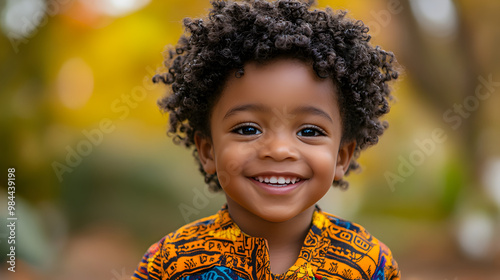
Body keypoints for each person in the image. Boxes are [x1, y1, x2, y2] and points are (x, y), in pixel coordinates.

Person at [132, 0, 400, 279]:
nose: (279, 150)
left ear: (341, 157)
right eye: (248, 129)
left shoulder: (369, 263)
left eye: (309, 131)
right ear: (208, 151)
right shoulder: (169, 262)